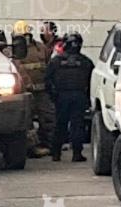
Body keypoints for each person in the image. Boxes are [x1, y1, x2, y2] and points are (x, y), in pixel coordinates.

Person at [45, 32, 94, 162]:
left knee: (60, 124)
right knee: (77, 125)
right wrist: (88, 99)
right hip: (78, 96)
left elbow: (47, 81)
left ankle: (56, 153)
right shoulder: (85, 62)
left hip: (62, 97)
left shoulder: (56, 61)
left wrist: (53, 97)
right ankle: (77, 154)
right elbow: (92, 83)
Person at [11, 20, 54, 158]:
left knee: (48, 118)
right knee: (26, 121)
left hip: (42, 93)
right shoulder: (13, 52)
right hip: (26, 92)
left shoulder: (41, 48)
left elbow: (48, 66)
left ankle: (50, 145)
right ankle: (31, 148)